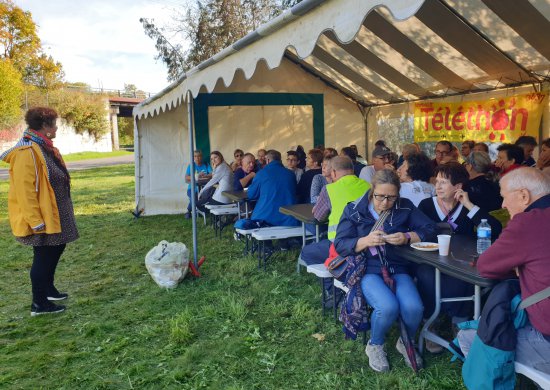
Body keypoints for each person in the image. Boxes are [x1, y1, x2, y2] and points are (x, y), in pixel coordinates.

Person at [334, 169, 436, 372]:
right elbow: (340, 243)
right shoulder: (354, 210)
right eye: (381, 196)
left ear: (398, 194)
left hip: (397, 267)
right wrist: (365, 241)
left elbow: (430, 228)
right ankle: (375, 344)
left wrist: (407, 237)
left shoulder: (404, 207)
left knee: (414, 308)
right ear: (372, 191)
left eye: (391, 197)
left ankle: (404, 342)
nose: (385, 202)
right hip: (367, 269)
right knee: (387, 307)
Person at [1, 107, 79, 316]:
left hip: (55, 210)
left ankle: (49, 289)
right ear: (45, 126)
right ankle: (39, 303)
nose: (56, 128)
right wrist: (35, 221)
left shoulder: (42, 146)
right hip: (42, 215)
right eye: (54, 124)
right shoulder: (26, 151)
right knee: (44, 255)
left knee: (57, 247)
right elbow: (25, 191)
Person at [416, 162, 502, 352]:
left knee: (465, 276)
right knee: (425, 275)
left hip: (458, 259)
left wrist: (469, 205)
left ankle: (459, 322)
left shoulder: (467, 207)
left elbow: (495, 228)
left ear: (458, 187)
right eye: (436, 181)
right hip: (430, 259)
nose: (437, 186)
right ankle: (432, 321)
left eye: (443, 182)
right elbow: (416, 231)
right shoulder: (426, 205)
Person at [476, 168, 550, 375]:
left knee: (468, 340)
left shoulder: (528, 222)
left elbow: (486, 266)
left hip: (546, 341)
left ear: (524, 195)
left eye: (504, 197)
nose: (503, 205)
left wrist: (519, 264)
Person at [300, 156, 370, 266]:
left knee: (306, 252)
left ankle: (331, 277)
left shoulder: (329, 189)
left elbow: (319, 217)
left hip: (339, 243)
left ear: (333, 172)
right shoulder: (368, 186)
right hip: (366, 242)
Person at [234, 150, 299, 229]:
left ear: (267, 160)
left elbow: (251, 195)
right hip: (288, 219)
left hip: (265, 218)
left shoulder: (261, 173)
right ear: (280, 160)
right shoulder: (291, 174)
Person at [184, 150, 212, 218]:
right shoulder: (191, 165)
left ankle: (203, 211)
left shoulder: (206, 164)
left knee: (209, 195)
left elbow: (212, 174)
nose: (197, 158)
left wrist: (205, 176)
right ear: (193, 157)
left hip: (204, 188)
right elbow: (186, 177)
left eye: (199, 156)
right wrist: (196, 176)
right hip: (192, 188)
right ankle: (189, 210)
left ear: (201, 157)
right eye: (195, 156)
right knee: (194, 197)